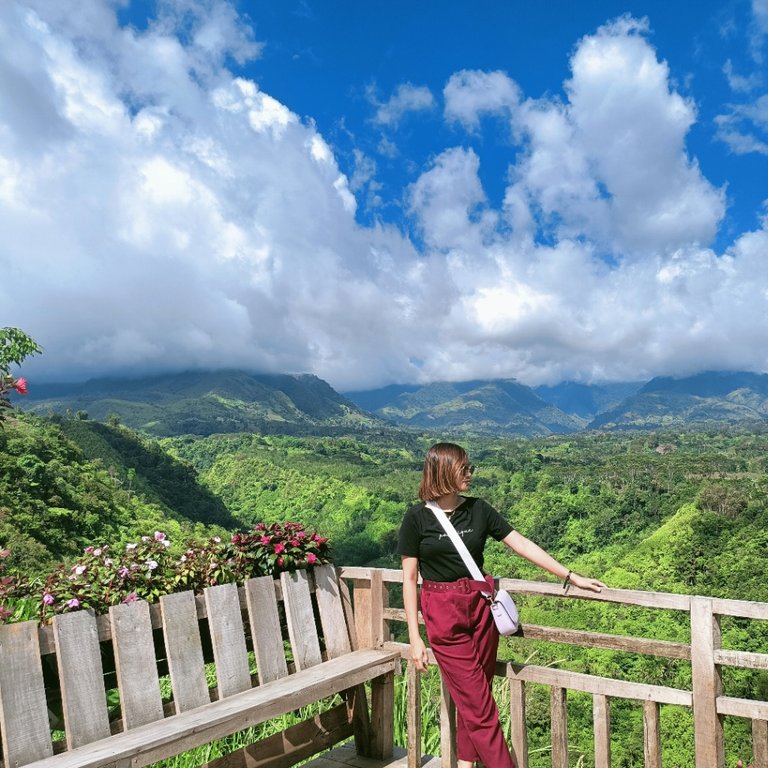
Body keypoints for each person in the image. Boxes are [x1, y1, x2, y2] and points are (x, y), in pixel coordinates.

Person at [398, 442, 606, 768]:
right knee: (482, 710)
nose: (470, 473)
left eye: (469, 468)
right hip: (443, 613)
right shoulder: (416, 519)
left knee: (477, 696)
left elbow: (520, 543)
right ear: (443, 471)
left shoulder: (479, 509)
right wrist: (415, 637)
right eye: (464, 468)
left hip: (481, 610)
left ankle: (466, 764)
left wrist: (570, 576)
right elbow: (409, 579)